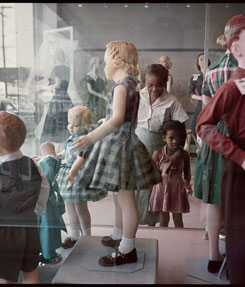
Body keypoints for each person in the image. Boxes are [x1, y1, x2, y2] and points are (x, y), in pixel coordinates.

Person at [71, 41, 161, 266]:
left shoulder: (122, 86)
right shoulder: (129, 84)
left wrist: (91, 137)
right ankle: (119, 235)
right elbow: (123, 117)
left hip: (121, 146)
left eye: (106, 61)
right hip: (124, 142)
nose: (103, 67)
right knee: (120, 196)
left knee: (125, 198)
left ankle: (127, 248)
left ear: (118, 61)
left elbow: (118, 119)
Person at [196, 15, 245, 284]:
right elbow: (204, 124)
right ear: (235, 49)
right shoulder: (232, 86)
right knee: (244, 228)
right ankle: (241, 274)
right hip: (242, 162)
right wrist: (241, 156)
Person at [193, 20, 238, 274]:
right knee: (237, 199)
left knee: (213, 198)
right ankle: (235, 255)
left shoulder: (213, 70)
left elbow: (206, 111)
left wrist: (202, 141)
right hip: (241, 137)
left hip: (214, 136)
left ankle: (213, 256)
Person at [0, 112, 49, 284]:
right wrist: (38, 210)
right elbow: (44, 188)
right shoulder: (33, 164)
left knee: (5, 277)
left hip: (3, 236)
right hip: (29, 229)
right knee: (31, 272)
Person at [135, 64, 189, 226]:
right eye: (149, 85)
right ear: (144, 81)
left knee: (155, 187)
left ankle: (152, 221)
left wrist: (178, 152)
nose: (154, 89)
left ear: (165, 83)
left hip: (159, 146)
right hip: (138, 143)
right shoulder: (137, 96)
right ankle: (137, 221)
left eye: (159, 85)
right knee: (139, 184)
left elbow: (181, 129)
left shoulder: (171, 101)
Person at [56, 105, 108, 249]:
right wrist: (58, 155)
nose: (71, 127)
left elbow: (80, 159)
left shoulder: (84, 141)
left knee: (80, 207)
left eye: (76, 125)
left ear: (85, 125)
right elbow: (66, 152)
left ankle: (86, 236)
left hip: (77, 176)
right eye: (69, 123)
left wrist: (72, 173)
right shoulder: (72, 137)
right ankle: (74, 235)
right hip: (67, 172)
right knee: (70, 207)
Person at [149, 120, 193, 228]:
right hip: (162, 187)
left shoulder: (184, 154)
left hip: (177, 188)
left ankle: (179, 242)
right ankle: (164, 240)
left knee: (178, 219)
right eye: (171, 138)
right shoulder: (158, 153)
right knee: (163, 219)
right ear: (164, 138)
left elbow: (187, 172)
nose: (174, 141)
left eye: (178, 138)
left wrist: (187, 185)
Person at [36, 141, 66, 264]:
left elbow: (46, 179)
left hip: (45, 198)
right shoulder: (51, 160)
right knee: (48, 227)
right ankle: (48, 253)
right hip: (47, 198)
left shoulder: (48, 161)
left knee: (46, 227)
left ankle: (47, 254)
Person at [36, 48, 73, 148]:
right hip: (65, 99)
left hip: (58, 100)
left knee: (54, 128)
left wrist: (44, 88)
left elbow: (58, 84)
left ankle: (55, 153)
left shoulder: (57, 68)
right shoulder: (67, 69)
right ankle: (63, 151)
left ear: (55, 57)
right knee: (64, 128)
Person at [184, 54, 211, 154]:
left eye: (205, 58)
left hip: (211, 103)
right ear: (198, 63)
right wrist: (200, 98)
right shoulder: (195, 77)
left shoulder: (212, 73)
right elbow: (190, 93)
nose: (203, 60)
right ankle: (187, 147)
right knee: (194, 124)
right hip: (201, 103)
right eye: (200, 59)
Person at [85, 56, 108, 123]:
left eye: (101, 63)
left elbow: (105, 88)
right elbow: (90, 90)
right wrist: (102, 96)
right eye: (99, 62)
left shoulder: (101, 77)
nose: (100, 65)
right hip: (93, 101)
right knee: (93, 118)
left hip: (101, 102)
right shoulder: (89, 76)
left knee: (101, 118)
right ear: (94, 63)